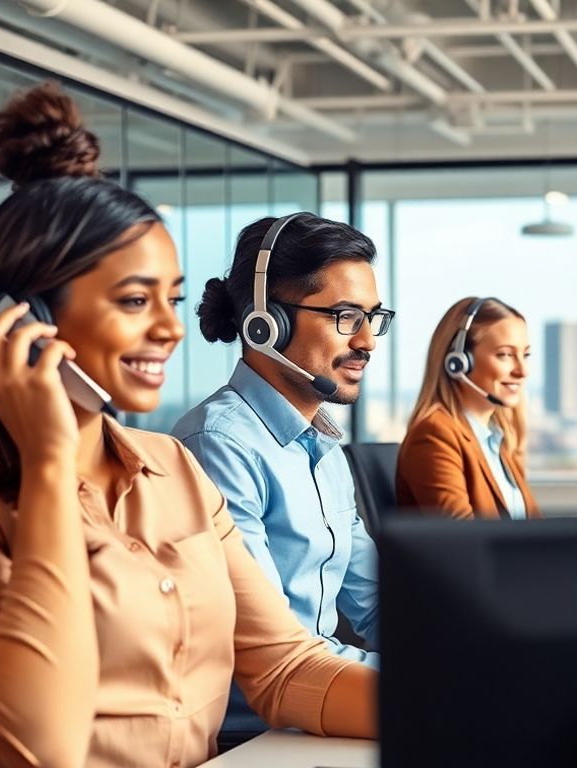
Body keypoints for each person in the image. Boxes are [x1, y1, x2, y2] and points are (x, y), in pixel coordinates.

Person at [0, 83, 375, 768]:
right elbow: (32, 748)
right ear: (27, 318)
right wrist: (49, 468)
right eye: (136, 300)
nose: (171, 328)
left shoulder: (173, 469)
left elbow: (286, 668)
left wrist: (460, 703)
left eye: (172, 298)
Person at [172, 212, 386, 736]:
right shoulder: (218, 445)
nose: (368, 341)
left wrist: (457, 653)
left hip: (319, 709)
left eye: (373, 318)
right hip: (252, 736)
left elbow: (379, 601)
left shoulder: (324, 447)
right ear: (266, 323)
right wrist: (429, 682)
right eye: (345, 316)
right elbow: (273, 655)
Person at [396, 296, 539, 519]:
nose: (522, 371)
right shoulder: (434, 435)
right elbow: (463, 536)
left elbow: (534, 531)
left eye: (525, 355)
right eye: (505, 355)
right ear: (459, 361)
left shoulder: (498, 439)